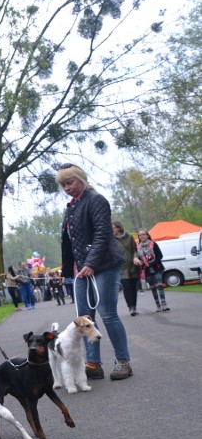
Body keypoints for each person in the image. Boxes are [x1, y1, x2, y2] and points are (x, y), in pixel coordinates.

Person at [57, 163, 132, 381]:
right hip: (82, 269)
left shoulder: (95, 200)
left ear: (81, 178)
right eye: (63, 185)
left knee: (108, 313)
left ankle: (123, 361)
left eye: (69, 182)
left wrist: (91, 262)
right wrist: (66, 269)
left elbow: (102, 234)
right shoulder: (71, 206)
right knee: (84, 318)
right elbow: (69, 242)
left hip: (104, 264)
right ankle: (93, 364)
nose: (67, 188)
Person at [136, 228, 170, 313]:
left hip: (157, 268)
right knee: (153, 288)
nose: (142, 236)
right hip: (147, 270)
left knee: (159, 285)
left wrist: (151, 263)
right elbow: (139, 259)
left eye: (143, 234)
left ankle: (164, 304)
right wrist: (141, 262)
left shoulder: (153, 244)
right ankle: (158, 305)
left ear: (147, 235)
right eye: (140, 235)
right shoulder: (138, 247)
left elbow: (160, 256)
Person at [113, 221, 142, 316]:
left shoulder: (129, 237)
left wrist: (135, 257)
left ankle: (134, 306)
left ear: (119, 228)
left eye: (113, 228)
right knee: (127, 287)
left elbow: (135, 249)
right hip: (121, 268)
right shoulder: (112, 240)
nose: (112, 230)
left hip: (133, 267)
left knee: (134, 288)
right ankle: (131, 307)